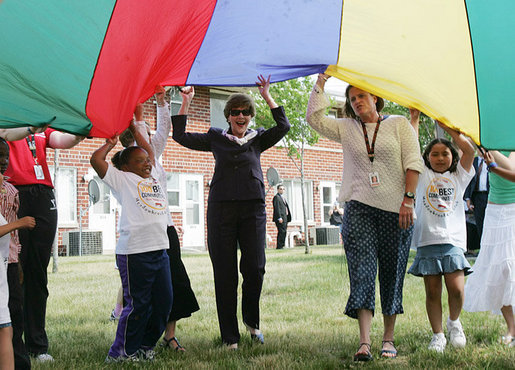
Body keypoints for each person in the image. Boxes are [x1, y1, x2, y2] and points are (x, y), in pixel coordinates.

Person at [306, 74, 423, 361]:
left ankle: (389, 339)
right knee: (362, 271)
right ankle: (364, 342)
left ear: (375, 98)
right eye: (352, 98)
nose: (357, 101)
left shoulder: (398, 125)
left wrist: (408, 200)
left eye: (361, 96)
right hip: (358, 208)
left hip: (397, 210)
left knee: (392, 272)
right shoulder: (346, 128)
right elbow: (314, 119)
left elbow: (413, 162)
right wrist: (320, 83)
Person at [172, 75, 290, 349]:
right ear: (228, 116)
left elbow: (283, 125)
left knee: (255, 268)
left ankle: (252, 323)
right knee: (224, 274)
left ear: (250, 116)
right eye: (235, 112)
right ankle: (229, 337)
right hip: (221, 211)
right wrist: (186, 101)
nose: (240, 115)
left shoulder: (258, 139)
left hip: (253, 211)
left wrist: (266, 95)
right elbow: (180, 136)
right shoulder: (216, 138)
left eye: (245, 112)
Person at [0, 126, 83, 362]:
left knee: (38, 272)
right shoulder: (10, 111)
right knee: (15, 270)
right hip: (13, 189)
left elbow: (60, 140)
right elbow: (6, 134)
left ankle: (37, 345)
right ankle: (13, 345)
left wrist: (79, 132)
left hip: (43, 194)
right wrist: (28, 127)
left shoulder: (42, 124)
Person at [90, 135, 173, 362]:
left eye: (147, 160)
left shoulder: (153, 176)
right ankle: (121, 352)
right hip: (135, 252)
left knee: (164, 302)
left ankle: (145, 346)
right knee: (138, 305)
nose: (147, 163)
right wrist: (110, 142)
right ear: (126, 166)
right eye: (140, 161)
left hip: (160, 249)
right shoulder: (122, 179)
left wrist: (138, 128)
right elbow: (96, 160)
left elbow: (150, 152)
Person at [131, 88, 199, 351]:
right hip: (142, 234)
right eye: (143, 131)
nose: (150, 135)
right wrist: (137, 113)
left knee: (176, 283)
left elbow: (163, 131)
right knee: (146, 289)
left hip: (166, 230)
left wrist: (162, 101)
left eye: (148, 131)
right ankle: (141, 338)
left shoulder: (155, 157)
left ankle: (169, 335)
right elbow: (141, 130)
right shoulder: (128, 161)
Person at [407, 113, 475, 352]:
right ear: (427, 157)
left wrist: (449, 128)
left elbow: (470, 152)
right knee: (433, 291)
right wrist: (414, 119)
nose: (439, 158)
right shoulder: (423, 175)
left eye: (444, 153)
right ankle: (438, 335)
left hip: (453, 241)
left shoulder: (459, 176)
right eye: (434, 154)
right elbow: (412, 150)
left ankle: (454, 323)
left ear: (452, 156)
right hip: (427, 240)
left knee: (456, 290)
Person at [464, 150, 515, 347]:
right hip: (494, 211)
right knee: (498, 273)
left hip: (513, 209)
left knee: (510, 268)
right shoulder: (487, 142)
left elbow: (512, 170)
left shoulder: (507, 141)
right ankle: (511, 328)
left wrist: (491, 159)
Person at [0, 138, 31, 369]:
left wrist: (17, 260)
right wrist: (20, 223)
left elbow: (13, 235)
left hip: (8, 261)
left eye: (5, 155)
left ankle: (19, 362)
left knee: (13, 315)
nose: (3, 161)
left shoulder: (11, 190)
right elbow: (14, 225)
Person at [464, 153, 489, 241]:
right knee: (479, 222)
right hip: (477, 196)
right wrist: (468, 198)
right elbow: (468, 179)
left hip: (489, 195)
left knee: (490, 221)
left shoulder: (491, 159)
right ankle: (483, 245)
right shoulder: (473, 161)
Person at [272, 184, 291, 249]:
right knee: (281, 231)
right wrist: (279, 217)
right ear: (277, 190)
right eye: (280, 189)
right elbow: (277, 208)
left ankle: (282, 245)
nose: (282, 190)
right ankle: (279, 246)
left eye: (283, 189)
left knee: (284, 231)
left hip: (285, 217)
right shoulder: (276, 197)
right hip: (280, 218)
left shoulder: (283, 198)